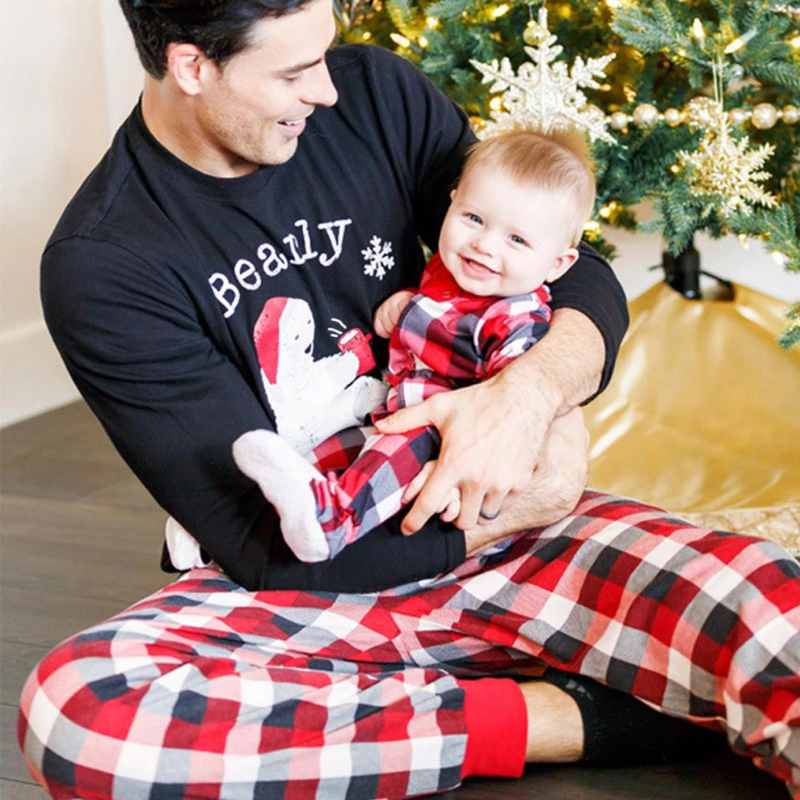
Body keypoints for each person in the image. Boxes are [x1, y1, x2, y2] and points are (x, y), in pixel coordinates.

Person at [18, 0, 799, 798]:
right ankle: (563, 720)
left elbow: (576, 272)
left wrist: (528, 397)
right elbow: (259, 546)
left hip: (496, 529)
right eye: (293, 72)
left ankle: (409, 716)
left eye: (324, 54)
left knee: (779, 605)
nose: (327, 91)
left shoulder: (375, 95)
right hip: (314, 587)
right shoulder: (104, 263)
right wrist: (527, 501)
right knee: (78, 713)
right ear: (191, 66)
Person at [232, 126, 597, 563]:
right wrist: (409, 305)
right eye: (474, 219)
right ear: (453, 199)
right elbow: (444, 316)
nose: (484, 244)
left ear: (558, 264)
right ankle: (254, 518)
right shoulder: (448, 272)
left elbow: (506, 415)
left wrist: (463, 478)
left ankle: (333, 523)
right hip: (396, 412)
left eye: (516, 240)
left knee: (388, 454)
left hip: (444, 439)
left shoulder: (516, 318)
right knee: (327, 449)